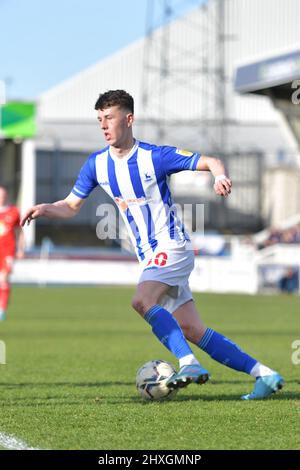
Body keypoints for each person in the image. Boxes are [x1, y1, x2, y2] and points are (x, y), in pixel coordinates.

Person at [21, 90, 284, 400]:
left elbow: (211, 161)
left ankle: (188, 363)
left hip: (172, 245)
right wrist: (45, 208)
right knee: (192, 329)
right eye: (99, 120)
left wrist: (219, 177)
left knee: (142, 301)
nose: (103, 126)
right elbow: (70, 205)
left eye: (109, 118)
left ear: (129, 119)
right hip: (151, 256)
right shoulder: (97, 164)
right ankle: (264, 375)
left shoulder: (155, 156)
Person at [0, 185, 25, 320]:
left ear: (6, 196)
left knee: (4, 278)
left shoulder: (14, 212)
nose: (1, 198)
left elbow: (19, 232)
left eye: (3, 195)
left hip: (7, 251)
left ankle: (2, 309)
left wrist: (21, 249)